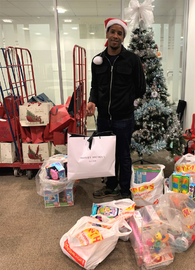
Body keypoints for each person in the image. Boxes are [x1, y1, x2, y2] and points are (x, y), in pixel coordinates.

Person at [86, 18, 146, 199]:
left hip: (124, 117)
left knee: (123, 155)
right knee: (107, 155)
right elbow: (95, 86)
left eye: (120, 33)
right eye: (113, 32)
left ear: (123, 37)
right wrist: (92, 101)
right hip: (104, 117)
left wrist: (125, 101)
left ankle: (125, 191)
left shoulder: (132, 60)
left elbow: (140, 87)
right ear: (107, 34)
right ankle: (111, 186)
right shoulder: (98, 60)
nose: (115, 36)